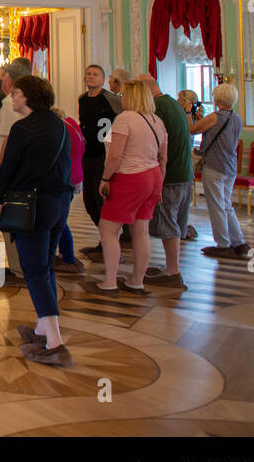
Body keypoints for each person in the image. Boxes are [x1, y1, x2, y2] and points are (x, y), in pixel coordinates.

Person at [0, 76, 74, 366]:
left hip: (33, 204)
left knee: (35, 269)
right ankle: (43, 329)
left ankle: (55, 343)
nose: (13, 98)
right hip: (58, 202)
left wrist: (1, 198)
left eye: (16, 94)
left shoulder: (23, 128)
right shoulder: (58, 124)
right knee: (45, 267)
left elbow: (8, 169)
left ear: (27, 97)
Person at [87, 79, 166, 295]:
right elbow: (163, 158)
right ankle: (136, 281)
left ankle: (110, 281)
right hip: (153, 176)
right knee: (141, 231)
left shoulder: (125, 119)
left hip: (130, 177)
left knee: (108, 229)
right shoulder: (157, 121)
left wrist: (105, 178)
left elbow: (115, 155)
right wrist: (158, 187)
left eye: (123, 95)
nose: (120, 99)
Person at [136, 74, 191, 289]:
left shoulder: (158, 107)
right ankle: (171, 268)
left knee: (167, 223)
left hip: (171, 176)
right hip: (183, 173)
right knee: (173, 222)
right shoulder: (172, 103)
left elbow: (155, 147)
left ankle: (172, 271)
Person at [0, 57, 32, 278]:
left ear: (10, 83)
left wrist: (1, 171)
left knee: (8, 219)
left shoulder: (12, 104)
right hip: (4, 170)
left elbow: (10, 140)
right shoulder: (10, 102)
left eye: (2, 77)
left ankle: (18, 268)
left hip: (5, 172)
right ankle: (16, 265)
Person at [191, 83, 251, 260]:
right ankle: (238, 242)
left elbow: (192, 129)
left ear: (217, 99)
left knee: (216, 205)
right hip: (230, 167)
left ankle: (223, 244)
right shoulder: (237, 119)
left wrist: (188, 113)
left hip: (215, 166)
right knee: (226, 205)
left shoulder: (216, 117)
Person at [77, 64, 123, 260]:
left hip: (105, 155)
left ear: (103, 80)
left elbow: (123, 118)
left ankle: (111, 241)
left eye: (95, 75)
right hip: (87, 154)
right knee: (89, 201)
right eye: (88, 74)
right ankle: (105, 238)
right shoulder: (82, 99)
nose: (90, 77)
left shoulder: (111, 99)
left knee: (100, 198)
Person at [50, 107, 86, 274]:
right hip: (75, 173)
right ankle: (65, 254)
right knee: (60, 218)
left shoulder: (59, 129)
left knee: (59, 220)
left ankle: (68, 257)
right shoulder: (71, 123)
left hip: (65, 176)